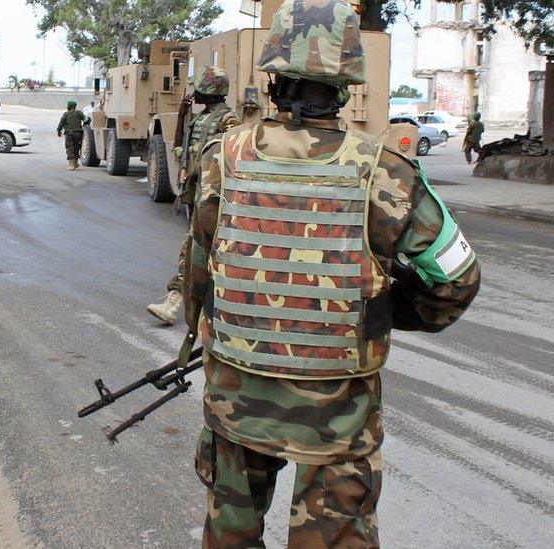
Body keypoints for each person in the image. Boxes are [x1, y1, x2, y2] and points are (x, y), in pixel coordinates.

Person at [185, 1, 481, 546]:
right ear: (346, 86)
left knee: (229, 535)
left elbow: (199, 269)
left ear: (271, 79)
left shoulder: (221, 159)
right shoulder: (383, 170)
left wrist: (200, 336)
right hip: (338, 415)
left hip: (235, 399)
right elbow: (456, 278)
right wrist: (384, 312)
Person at [147, 66, 238, 326]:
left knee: (192, 248)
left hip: (214, 197)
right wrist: (181, 116)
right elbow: (179, 150)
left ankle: (174, 303)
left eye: (198, 88)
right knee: (201, 249)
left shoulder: (227, 120)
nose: (193, 93)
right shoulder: (199, 119)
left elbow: (227, 156)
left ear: (209, 90)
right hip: (199, 194)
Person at [56, 100, 86, 171]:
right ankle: (75, 163)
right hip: (78, 133)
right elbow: (86, 120)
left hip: (69, 134)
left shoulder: (66, 114)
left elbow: (61, 123)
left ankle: (72, 165)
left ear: (70, 106)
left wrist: (58, 131)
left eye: (68, 105)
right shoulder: (79, 113)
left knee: (70, 148)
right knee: (76, 147)